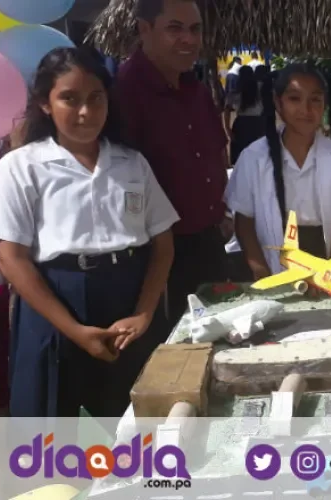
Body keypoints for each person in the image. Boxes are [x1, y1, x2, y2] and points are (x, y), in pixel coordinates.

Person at [0, 47, 179, 417]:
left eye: (95, 98)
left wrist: (144, 313)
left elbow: (163, 243)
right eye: (69, 99)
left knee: (137, 426)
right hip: (53, 305)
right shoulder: (22, 167)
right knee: (51, 434)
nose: (85, 112)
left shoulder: (131, 163)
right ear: (44, 103)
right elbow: (12, 258)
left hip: (127, 302)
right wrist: (74, 330)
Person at [114, 0, 231, 332]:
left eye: (194, 30)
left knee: (215, 337)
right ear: (144, 29)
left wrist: (220, 210)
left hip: (208, 242)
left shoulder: (195, 89)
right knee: (174, 351)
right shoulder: (123, 94)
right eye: (175, 29)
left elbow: (215, 153)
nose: (188, 40)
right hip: (158, 256)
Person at [225, 64, 331, 279]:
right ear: (278, 103)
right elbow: (244, 224)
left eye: (315, 100)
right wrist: (261, 270)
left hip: (323, 256)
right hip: (272, 258)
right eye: (295, 99)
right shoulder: (253, 158)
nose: (306, 110)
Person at [224, 65, 265, 164]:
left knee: (241, 156)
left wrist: (227, 128)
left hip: (241, 125)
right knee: (258, 155)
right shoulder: (260, 87)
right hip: (258, 123)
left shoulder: (236, 91)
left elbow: (227, 109)